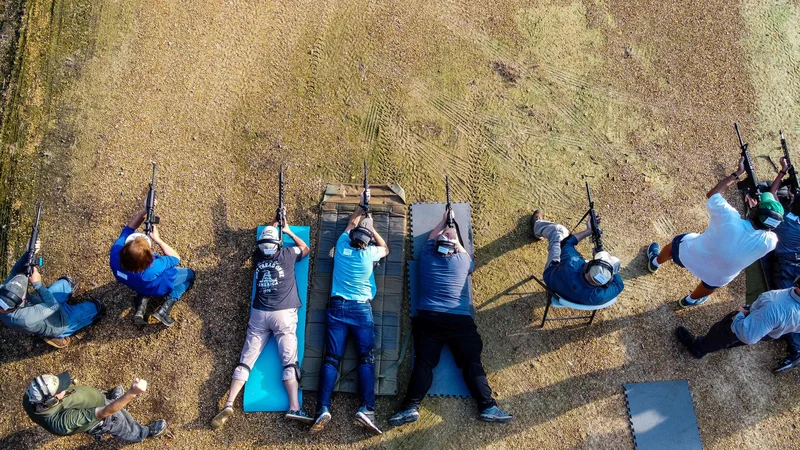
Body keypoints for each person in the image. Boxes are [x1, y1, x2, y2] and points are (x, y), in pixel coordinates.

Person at [390, 211, 512, 428]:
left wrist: (443, 221)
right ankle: (488, 407)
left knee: (424, 363)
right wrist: (454, 230)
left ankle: (410, 407)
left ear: (437, 244)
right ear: (456, 248)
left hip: (429, 318)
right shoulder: (463, 261)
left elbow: (431, 237)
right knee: (471, 363)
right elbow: (467, 255)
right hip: (459, 321)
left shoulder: (427, 256)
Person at [211, 212, 313, 429]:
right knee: (289, 362)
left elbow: (266, 241)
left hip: (259, 314)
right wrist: (287, 231)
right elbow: (305, 248)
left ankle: (229, 403)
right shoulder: (286, 254)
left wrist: (273, 224)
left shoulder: (257, 258)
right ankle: (294, 406)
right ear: (278, 243)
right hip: (283, 315)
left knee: (246, 360)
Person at [647, 158, 782, 308]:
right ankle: (689, 301)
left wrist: (737, 173)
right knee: (711, 285)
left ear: (755, 209)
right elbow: (771, 210)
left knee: (675, 246)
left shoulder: (729, 217)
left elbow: (712, 194)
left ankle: (654, 263)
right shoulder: (771, 242)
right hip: (717, 277)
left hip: (691, 254)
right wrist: (781, 174)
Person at [311, 189, 388, 435]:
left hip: (336, 306)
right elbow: (385, 247)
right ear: (368, 242)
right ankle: (366, 408)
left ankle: (323, 407)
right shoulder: (370, 254)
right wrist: (373, 228)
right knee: (365, 358)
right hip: (361, 310)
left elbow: (350, 223)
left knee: (331, 358)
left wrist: (361, 207)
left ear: (354, 235)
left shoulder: (342, 244)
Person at [0, 240, 104, 348]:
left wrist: (29, 252)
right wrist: (37, 285)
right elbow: (53, 306)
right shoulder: (23, 319)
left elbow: (15, 272)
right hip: (59, 322)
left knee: (67, 282)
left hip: (42, 304)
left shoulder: (4, 292)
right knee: (97, 308)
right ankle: (57, 336)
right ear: (21, 302)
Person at [110, 202, 195, 327]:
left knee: (143, 286)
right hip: (159, 287)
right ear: (149, 259)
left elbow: (128, 229)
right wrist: (158, 239)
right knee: (189, 276)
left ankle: (141, 303)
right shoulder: (153, 267)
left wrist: (144, 211)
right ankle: (164, 309)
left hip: (135, 284)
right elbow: (176, 257)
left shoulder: (115, 253)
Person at [23, 371, 166, 443]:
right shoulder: (63, 422)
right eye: (60, 390)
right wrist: (132, 393)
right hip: (104, 418)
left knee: (105, 400)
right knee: (122, 423)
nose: (64, 388)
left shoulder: (30, 398)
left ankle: (111, 399)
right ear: (51, 401)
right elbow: (106, 411)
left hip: (94, 402)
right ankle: (142, 433)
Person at [675, 278, 800, 359]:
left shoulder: (775, 307)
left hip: (749, 321)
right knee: (734, 341)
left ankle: (698, 348)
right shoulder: (784, 305)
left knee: (722, 335)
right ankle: (723, 345)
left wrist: (740, 315)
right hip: (770, 330)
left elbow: (748, 335)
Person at [529, 210, 624, 305]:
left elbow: (566, 243)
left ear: (587, 267)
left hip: (552, 279)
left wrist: (588, 231)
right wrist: (606, 266)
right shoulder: (597, 297)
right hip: (573, 300)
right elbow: (619, 284)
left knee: (559, 231)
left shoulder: (571, 263)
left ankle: (537, 226)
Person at [764, 157, 800, 372]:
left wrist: (781, 173)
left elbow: (771, 193)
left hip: (786, 266)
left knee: (788, 304)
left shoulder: (784, 220)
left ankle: (796, 349)